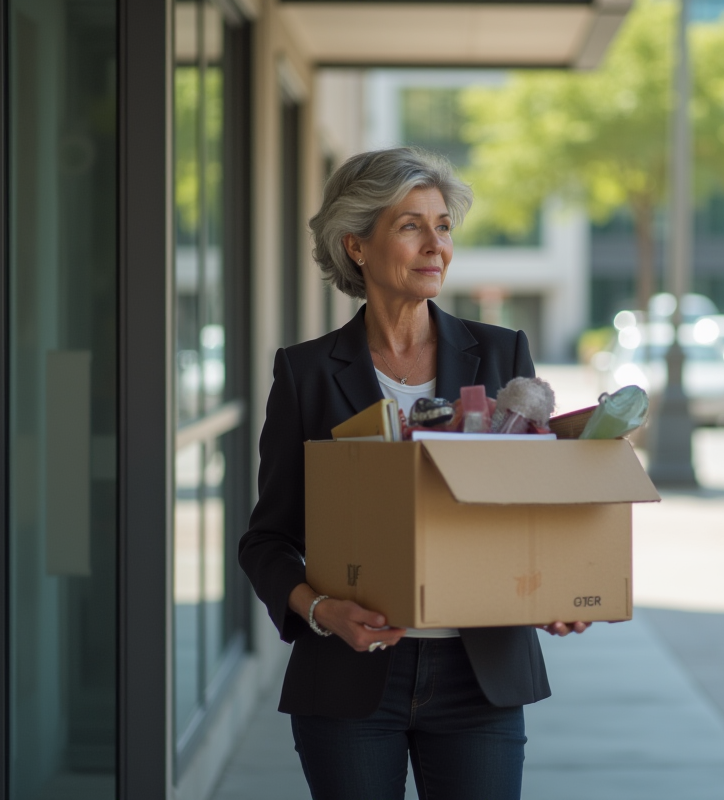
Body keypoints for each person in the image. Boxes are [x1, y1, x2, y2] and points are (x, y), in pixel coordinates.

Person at [238, 147, 589, 800]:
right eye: (410, 226)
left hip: (479, 676)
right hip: (349, 677)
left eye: (443, 226)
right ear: (357, 246)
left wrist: (558, 589)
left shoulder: (501, 351)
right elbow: (268, 540)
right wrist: (321, 610)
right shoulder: (305, 372)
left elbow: (532, 508)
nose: (436, 245)